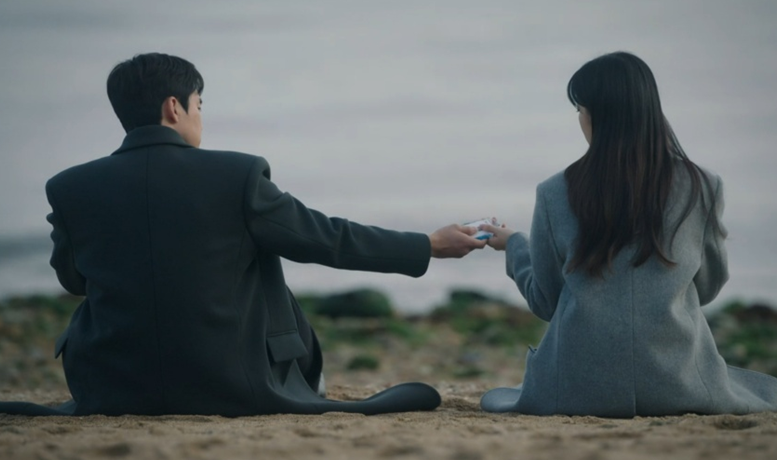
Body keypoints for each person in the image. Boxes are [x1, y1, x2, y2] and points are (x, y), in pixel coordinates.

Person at [0, 53, 486, 417]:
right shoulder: (237, 175)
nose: (200, 116)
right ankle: (300, 386)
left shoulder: (69, 187)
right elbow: (324, 239)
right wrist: (427, 246)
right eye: (199, 104)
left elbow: (73, 280)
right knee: (265, 260)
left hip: (111, 388)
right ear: (174, 107)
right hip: (233, 384)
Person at [478, 51, 777, 417]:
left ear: (596, 116)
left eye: (580, 109)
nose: (579, 119)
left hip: (577, 390)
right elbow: (709, 286)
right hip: (680, 385)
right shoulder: (703, 186)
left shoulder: (554, 192)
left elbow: (546, 301)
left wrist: (515, 246)